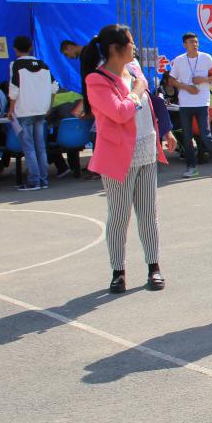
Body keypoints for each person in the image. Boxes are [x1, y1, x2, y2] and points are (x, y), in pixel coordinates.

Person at [81, 25, 176, 294]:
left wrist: (166, 130)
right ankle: (118, 272)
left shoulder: (134, 68)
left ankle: (154, 267)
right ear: (115, 48)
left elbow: (153, 102)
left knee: (148, 214)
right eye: (131, 42)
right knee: (119, 216)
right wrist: (136, 90)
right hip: (118, 157)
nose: (134, 47)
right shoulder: (97, 80)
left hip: (146, 150)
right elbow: (119, 112)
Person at [8, 35, 59, 191]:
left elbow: (14, 90)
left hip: (24, 111)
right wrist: (49, 105)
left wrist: (10, 109)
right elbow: (54, 87)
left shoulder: (15, 65)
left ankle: (34, 181)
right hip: (41, 110)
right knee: (40, 147)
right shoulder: (44, 65)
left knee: (29, 148)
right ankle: (43, 180)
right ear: (30, 47)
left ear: (15, 49)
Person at [169, 32, 212, 178]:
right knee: (187, 136)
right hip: (185, 104)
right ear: (184, 44)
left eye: (196, 41)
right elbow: (171, 80)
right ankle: (191, 167)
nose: (195, 44)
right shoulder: (179, 60)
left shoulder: (206, 58)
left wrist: (202, 79)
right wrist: (187, 87)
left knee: (206, 135)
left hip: (202, 102)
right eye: (191, 42)